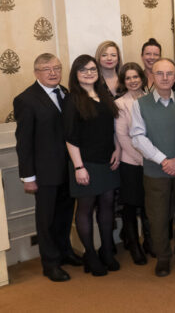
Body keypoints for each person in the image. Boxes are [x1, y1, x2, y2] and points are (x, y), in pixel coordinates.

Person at [14, 53, 82, 282]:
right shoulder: (26, 100)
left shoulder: (65, 93)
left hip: (68, 170)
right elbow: (23, 142)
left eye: (56, 68)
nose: (53, 73)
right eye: (46, 69)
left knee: (64, 216)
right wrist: (28, 177)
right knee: (46, 219)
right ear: (36, 73)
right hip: (44, 173)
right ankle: (50, 263)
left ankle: (65, 252)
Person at [130, 58, 175, 278]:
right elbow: (137, 137)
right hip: (156, 172)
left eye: (169, 73)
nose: (165, 78)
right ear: (153, 76)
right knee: (157, 216)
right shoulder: (140, 104)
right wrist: (163, 160)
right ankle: (163, 257)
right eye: (160, 74)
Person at [63, 55, 121, 276]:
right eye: (83, 70)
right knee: (85, 209)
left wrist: (117, 148)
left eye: (92, 69)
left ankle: (107, 250)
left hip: (107, 160)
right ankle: (90, 254)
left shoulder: (104, 95)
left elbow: (112, 127)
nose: (89, 73)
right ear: (75, 74)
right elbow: (70, 137)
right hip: (85, 162)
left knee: (107, 206)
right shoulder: (72, 100)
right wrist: (79, 167)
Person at [114, 62, 150, 266]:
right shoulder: (120, 104)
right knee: (130, 206)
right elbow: (122, 137)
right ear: (123, 81)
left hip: (152, 162)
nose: (132, 81)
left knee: (148, 204)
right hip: (130, 163)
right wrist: (141, 159)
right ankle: (134, 245)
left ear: (141, 78)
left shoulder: (151, 99)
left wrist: (151, 158)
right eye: (128, 78)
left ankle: (149, 242)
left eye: (135, 76)